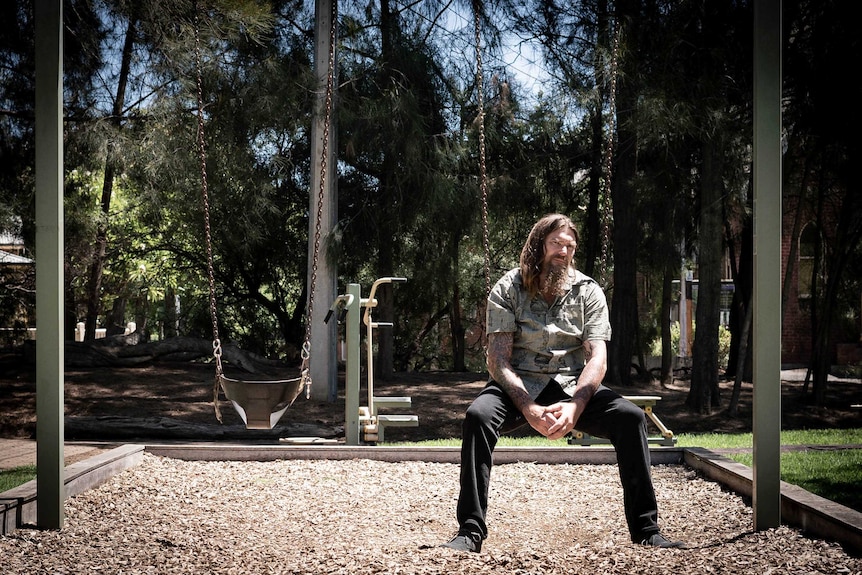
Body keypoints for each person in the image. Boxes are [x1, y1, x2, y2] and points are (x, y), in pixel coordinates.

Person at [441, 213, 683, 553]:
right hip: (519, 385)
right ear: (539, 244)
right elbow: (497, 359)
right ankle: (469, 531)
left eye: (569, 246)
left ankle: (646, 530)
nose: (563, 251)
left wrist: (577, 404)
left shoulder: (588, 291)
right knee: (478, 417)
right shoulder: (508, 288)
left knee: (631, 418)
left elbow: (597, 357)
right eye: (557, 243)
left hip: (572, 384)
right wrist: (528, 407)